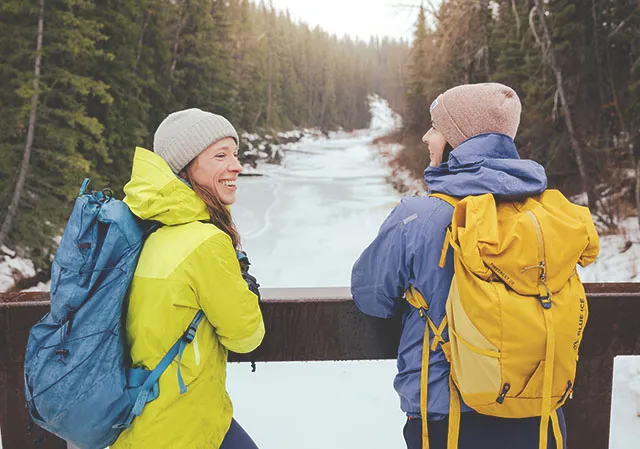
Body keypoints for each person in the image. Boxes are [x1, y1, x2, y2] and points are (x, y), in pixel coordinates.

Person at [351, 83, 569, 449]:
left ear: (458, 141)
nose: (425, 137)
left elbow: (370, 296)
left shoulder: (419, 218)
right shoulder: (545, 216)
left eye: (436, 127)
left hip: (449, 417)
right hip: (539, 411)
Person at [111, 108, 264, 449]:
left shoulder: (149, 228)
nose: (236, 166)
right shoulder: (206, 242)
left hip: (144, 422)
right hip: (185, 429)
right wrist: (245, 290)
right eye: (220, 156)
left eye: (235, 154)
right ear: (186, 168)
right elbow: (246, 336)